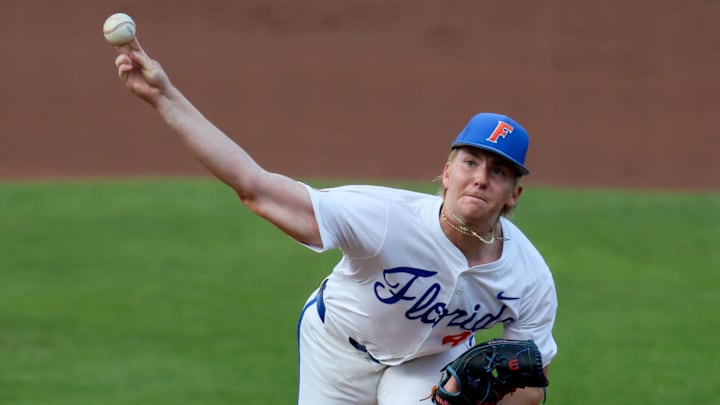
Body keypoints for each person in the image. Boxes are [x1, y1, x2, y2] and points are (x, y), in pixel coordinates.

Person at [113, 37, 558, 405]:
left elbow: (530, 384)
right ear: (446, 172)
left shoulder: (528, 277)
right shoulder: (384, 218)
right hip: (338, 353)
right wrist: (164, 97)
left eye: (497, 171)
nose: (479, 179)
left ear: (513, 194)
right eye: (470, 162)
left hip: (426, 366)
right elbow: (256, 187)